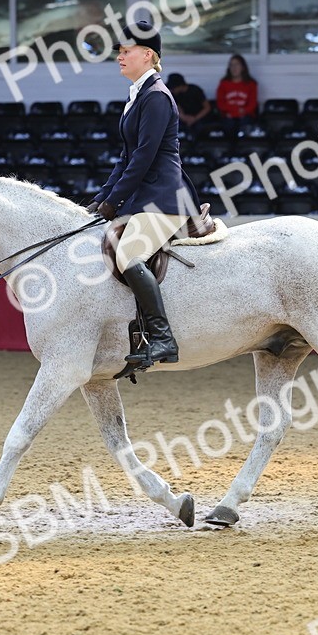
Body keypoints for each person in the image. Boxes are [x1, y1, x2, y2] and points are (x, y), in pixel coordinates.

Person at [89, 20, 200, 377]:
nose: (120, 57)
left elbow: (144, 157)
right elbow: (125, 157)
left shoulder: (156, 96)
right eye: (119, 52)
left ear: (148, 54)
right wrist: (101, 199)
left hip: (164, 198)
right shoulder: (137, 95)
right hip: (145, 196)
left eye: (126, 51)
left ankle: (163, 338)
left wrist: (114, 203)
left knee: (128, 255)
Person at [215, 53, 259, 132]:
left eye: (237, 65)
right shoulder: (223, 83)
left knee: (245, 125)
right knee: (228, 125)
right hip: (228, 116)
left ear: (243, 67)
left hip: (245, 116)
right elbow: (221, 104)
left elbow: (252, 104)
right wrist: (234, 112)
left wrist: (240, 112)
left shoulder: (251, 84)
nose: (234, 68)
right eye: (231, 65)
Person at [166, 73, 211, 138]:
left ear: (180, 85)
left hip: (199, 117)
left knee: (201, 129)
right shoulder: (175, 94)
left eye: (173, 88)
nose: (172, 90)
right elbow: (177, 108)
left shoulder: (195, 90)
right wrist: (184, 117)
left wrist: (195, 118)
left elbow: (207, 108)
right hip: (185, 118)